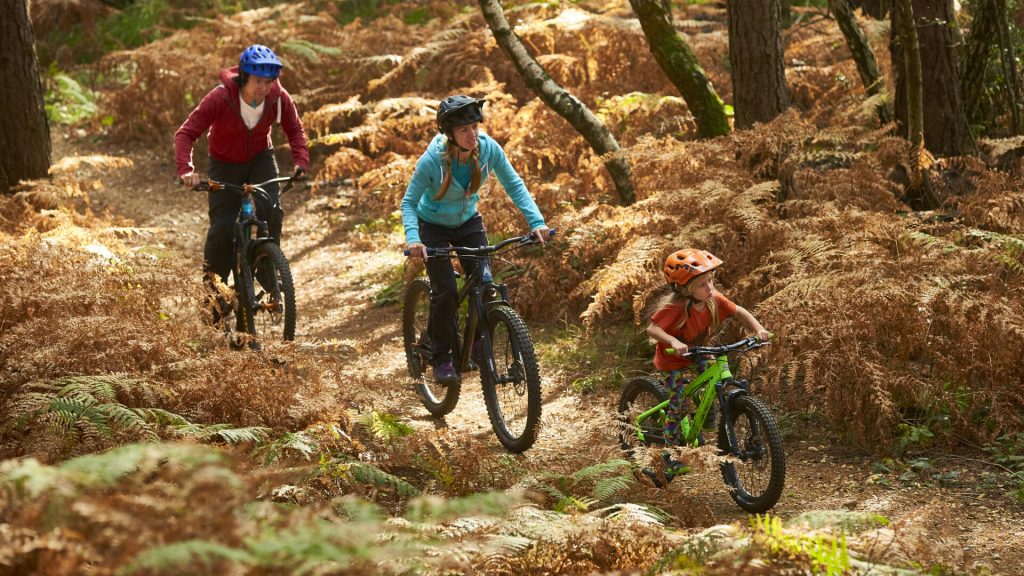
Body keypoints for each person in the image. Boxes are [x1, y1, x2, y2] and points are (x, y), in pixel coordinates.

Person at [403, 94, 549, 385]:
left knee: (486, 285)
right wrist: (413, 239)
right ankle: (442, 357)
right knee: (445, 292)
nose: (472, 135)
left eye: (474, 127)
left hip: (468, 223)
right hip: (432, 227)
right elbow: (408, 202)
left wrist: (537, 222)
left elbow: (515, 185)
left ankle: (481, 340)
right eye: (463, 130)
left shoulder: (488, 149)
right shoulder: (432, 161)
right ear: (450, 135)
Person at [174, 43, 309, 318]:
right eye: (259, 81)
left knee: (272, 210)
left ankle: (267, 267)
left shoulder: (278, 98)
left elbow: (295, 130)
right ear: (245, 77)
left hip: (261, 158)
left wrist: (300, 161)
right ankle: (215, 295)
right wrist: (186, 170)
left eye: (269, 82)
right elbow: (186, 133)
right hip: (224, 164)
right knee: (222, 229)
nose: (264, 88)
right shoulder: (221, 97)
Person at [646, 248, 771, 473]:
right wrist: (673, 341)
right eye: (703, 285)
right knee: (679, 404)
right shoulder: (674, 308)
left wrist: (758, 329)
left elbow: (739, 311)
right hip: (672, 360)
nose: (710, 288)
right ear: (685, 289)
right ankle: (670, 453)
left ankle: (706, 416)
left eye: (711, 281)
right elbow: (653, 329)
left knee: (715, 383)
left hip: (700, 351)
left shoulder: (713, 300)